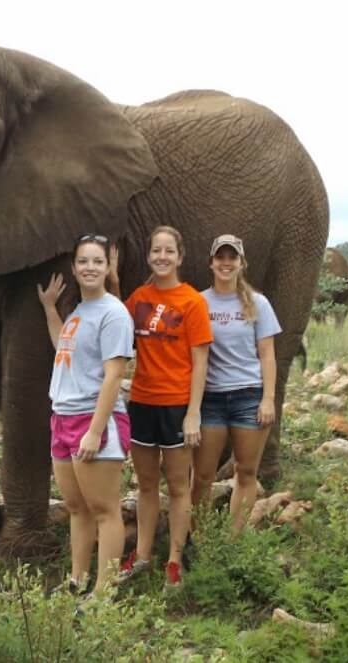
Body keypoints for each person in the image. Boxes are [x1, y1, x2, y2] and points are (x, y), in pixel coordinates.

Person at [110, 226, 212, 590]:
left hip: (176, 405)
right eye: (156, 251)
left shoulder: (192, 301)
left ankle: (174, 561)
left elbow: (201, 361)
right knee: (147, 485)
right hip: (142, 401)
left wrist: (194, 413)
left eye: (169, 251)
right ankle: (141, 555)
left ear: (180, 257)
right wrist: (111, 277)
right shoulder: (139, 297)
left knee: (179, 488)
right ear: (150, 255)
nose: (162, 257)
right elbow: (118, 326)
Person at [37, 234, 134, 596]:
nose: (90, 267)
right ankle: (77, 582)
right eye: (83, 261)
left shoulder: (113, 312)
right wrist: (50, 308)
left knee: (105, 509)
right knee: (77, 508)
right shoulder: (78, 312)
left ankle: (104, 593)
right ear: (74, 268)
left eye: (97, 261)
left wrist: (95, 431)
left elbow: (115, 374)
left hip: (94, 420)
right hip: (62, 417)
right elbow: (63, 347)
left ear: (108, 267)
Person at [190, 234, 280, 533]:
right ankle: (199, 539)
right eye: (220, 257)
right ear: (211, 262)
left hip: (248, 396)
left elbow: (267, 354)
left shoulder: (258, 303)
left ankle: (233, 541)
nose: (226, 263)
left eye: (232, 257)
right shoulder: (198, 302)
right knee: (202, 475)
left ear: (242, 263)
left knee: (246, 471)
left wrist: (268, 399)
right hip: (211, 398)